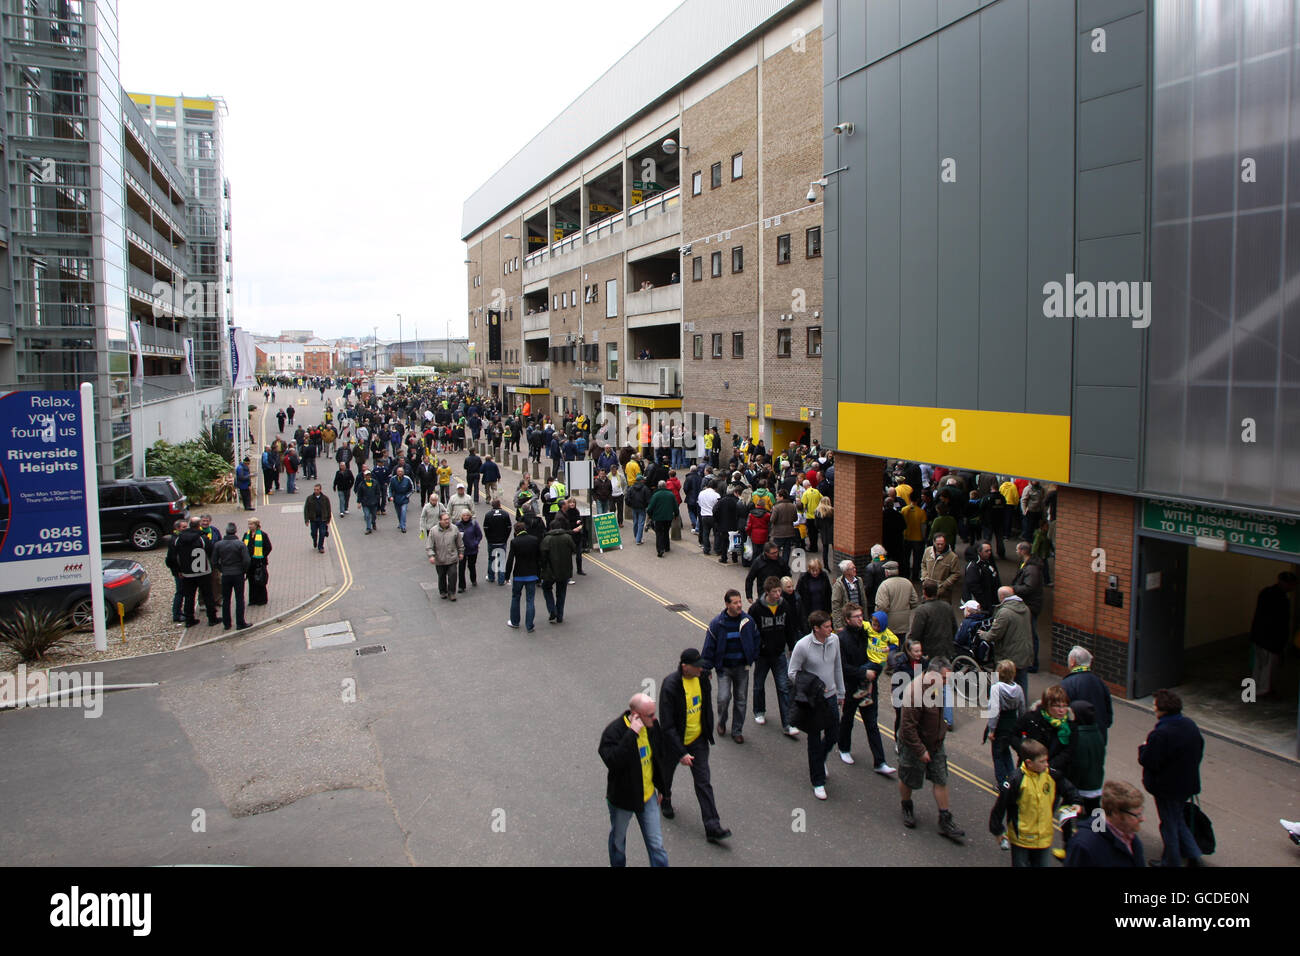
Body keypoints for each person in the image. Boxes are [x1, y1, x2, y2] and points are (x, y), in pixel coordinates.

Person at [657, 648, 732, 844]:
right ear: (684, 667)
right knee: (666, 775)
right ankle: (665, 797)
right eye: (696, 666)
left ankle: (712, 827)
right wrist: (680, 752)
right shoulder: (671, 685)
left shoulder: (701, 679)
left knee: (703, 782)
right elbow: (667, 724)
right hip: (675, 743)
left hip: (698, 740)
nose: (701, 669)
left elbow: (705, 707)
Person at [598, 693, 669, 867]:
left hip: (648, 797)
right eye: (650, 715)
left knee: (657, 846)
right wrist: (632, 734)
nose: (654, 718)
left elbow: (659, 757)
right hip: (624, 800)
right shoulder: (613, 733)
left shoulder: (652, 726)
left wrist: (663, 788)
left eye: (654, 713)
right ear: (635, 714)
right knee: (618, 843)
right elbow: (614, 762)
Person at [897, 658, 965, 841]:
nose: (946, 682)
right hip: (914, 744)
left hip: (935, 742)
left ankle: (945, 819)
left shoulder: (939, 687)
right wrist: (920, 751)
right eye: (944, 678)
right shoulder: (915, 692)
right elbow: (907, 728)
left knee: (941, 778)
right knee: (908, 778)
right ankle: (907, 806)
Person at [1138, 688, 1205, 867]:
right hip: (1186, 784)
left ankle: (1171, 862)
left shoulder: (1160, 734)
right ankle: (1194, 856)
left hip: (1166, 788)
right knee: (1178, 820)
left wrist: (1143, 748)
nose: (1153, 708)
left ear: (1163, 710)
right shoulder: (1190, 725)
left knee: (1169, 825)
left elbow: (1149, 761)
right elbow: (1198, 751)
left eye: (1155, 706)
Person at [988, 738, 1081, 867]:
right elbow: (1000, 806)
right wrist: (998, 831)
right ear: (1029, 763)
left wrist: (1076, 802)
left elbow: (1069, 789)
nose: (1046, 764)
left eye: (1046, 760)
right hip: (1022, 840)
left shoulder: (1052, 775)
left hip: (1044, 838)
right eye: (1042, 761)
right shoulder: (1016, 780)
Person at [788, 611, 844, 800]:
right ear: (816, 628)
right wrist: (809, 686)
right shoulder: (802, 646)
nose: (831, 629)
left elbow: (837, 666)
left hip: (830, 696)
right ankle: (818, 781)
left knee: (834, 733)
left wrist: (841, 692)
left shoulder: (834, 640)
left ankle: (821, 759)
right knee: (813, 741)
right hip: (813, 700)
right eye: (827, 626)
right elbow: (792, 672)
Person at [836, 604, 896, 775]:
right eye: (856, 616)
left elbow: (877, 655)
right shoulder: (842, 639)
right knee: (848, 718)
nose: (861, 619)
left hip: (868, 686)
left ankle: (880, 761)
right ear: (848, 619)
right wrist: (864, 672)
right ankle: (844, 747)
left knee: (871, 723)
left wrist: (873, 672)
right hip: (851, 686)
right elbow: (843, 667)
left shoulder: (866, 633)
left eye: (861, 615)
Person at [702, 589, 761, 744]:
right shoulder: (717, 624)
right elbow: (709, 647)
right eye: (735, 602)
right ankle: (721, 721)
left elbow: (756, 639)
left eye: (740, 601)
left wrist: (752, 657)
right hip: (725, 668)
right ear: (727, 604)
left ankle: (737, 730)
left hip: (742, 667)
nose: (739, 605)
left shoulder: (747, 621)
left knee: (741, 700)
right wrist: (706, 667)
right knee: (723, 698)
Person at [747, 578, 801, 737]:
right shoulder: (756, 609)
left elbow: (790, 628)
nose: (778, 594)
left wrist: (792, 647)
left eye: (779, 591)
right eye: (775, 592)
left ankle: (788, 723)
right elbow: (751, 631)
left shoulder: (784, 606)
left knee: (783, 687)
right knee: (759, 684)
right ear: (767, 593)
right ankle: (759, 710)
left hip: (779, 653)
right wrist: (755, 649)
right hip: (762, 655)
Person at [1064, 780, 1146, 867]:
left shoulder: (1129, 836)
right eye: (1137, 815)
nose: (1143, 819)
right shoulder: (1084, 845)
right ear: (1115, 813)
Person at [1250, 571, 1297, 698]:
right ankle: (1263, 691)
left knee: (1258, 665)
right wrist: (1280, 644)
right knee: (1268, 668)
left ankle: (1255, 689)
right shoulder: (1280, 599)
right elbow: (1279, 623)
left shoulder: (1266, 592)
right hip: (1270, 640)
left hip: (1259, 637)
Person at [985, 660, 1027, 792]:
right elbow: (1022, 709)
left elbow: (994, 711)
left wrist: (992, 730)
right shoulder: (1019, 689)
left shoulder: (996, 688)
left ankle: (1003, 783)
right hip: (1013, 723)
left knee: (998, 754)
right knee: (1006, 752)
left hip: (1001, 725)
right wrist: (1021, 727)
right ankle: (1013, 779)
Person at [1061, 646, 1114, 744]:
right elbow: (1108, 713)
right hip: (1099, 736)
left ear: (1072, 662)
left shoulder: (1067, 684)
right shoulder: (1100, 682)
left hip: (1078, 737)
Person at [986, 586, 1033, 697]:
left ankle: (1005, 704)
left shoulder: (1004, 612)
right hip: (1025, 651)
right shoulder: (1025, 608)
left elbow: (994, 634)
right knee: (1022, 679)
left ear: (1001, 597)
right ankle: (1022, 703)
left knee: (1004, 681)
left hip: (1009, 653)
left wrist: (983, 635)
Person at [175, 517, 218, 627]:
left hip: (187, 573)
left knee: (189, 597)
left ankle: (189, 620)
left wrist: (177, 570)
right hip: (203, 572)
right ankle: (212, 618)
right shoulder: (202, 538)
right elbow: (211, 552)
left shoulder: (179, 539)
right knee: (208, 595)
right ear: (198, 525)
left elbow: (173, 557)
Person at [1011, 540, 1045, 672]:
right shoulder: (1028, 565)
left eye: (1017, 549)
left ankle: (1032, 663)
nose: (1016, 552)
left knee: (1031, 635)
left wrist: (1014, 589)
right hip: (1030, 605)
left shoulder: (1031, 568)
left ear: (1023, 551)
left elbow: (1029, 587)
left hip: (1030, 606)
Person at [504, 520, 542, 632]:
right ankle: (529, 626)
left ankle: (515, 622)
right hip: (532, 574)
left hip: (519, 575)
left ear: (515, 532)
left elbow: (510, 560)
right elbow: (539, 558)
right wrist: (539, 574)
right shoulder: (534, 540)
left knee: (516, 598)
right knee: (530, 600)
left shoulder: (514, 542)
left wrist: (507, 576)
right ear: (525, 529)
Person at [213, 522, 251, 631]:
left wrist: (222, 569)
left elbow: (214, 561)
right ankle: (240, 623)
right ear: (235, 531)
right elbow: (247, 560)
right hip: (238, 574)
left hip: (226, 574)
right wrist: (243, 571)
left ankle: (227, 623)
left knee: (226, 600)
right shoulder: (240, 544)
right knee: (239, 599)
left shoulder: (219, 544)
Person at [540, 518, 576, 624]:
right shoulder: (567, 537)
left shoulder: (547, 539)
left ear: (551, 528)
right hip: (564, 570)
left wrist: (543, 568)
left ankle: (552, 610)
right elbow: (574, 549)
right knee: (561, 593)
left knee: (546, 588)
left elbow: (543, 556)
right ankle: (560, 615)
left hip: (550, 571)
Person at [425, 510, 464, 601]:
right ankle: (443, 591)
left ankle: (452, 593)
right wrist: (431, 556)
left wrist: (461, 552)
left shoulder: (454, 528)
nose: (447, 521)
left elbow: (459, 542)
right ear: (440, 521)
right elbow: (429, 545)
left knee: (453, 576)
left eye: (448, 519)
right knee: (441, 576)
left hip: (452, 558)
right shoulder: (433, 531)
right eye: (445, 519)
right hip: (440, 559)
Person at [874, 560, 918, 640]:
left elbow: (882, 606)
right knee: (901, 643)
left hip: (890, 623)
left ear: (886, 572)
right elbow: (914, 601)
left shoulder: (884, 585)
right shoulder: (907, 582)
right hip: (904, 622)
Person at [920, 533, 961, 608]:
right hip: (928, 591)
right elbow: (923, 564)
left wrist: (944, 585)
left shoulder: (952, 557)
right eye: (938, 544)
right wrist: (924, 577)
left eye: (942, 544)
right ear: (933, 542)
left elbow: (956, 574)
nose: (940, 546)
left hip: (943, 594)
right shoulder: (928, 551)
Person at [482, 498, 513, 586]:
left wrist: (489, 538)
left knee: (491, 559)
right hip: (502, 541)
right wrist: (505, 538)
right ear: (500, 505)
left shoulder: (488, 515)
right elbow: (509, 528)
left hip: (491, 541)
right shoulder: (505, 514)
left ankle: (491, 577)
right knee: (501, 560)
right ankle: (501, 579)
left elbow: (485, 528)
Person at [830, 559, 866, 630]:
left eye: (855, 568)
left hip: (859, 618)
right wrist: (839, 625)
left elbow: (863, 601)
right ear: (846, 571)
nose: (855, 570)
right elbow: (836, 606)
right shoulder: (838, 585)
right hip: (847, 621)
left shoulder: (859, 580)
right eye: (852, 568)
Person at [647, 479, 677, 557]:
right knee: (666, 531)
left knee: (659, 533)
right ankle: (667, 547)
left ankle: (660, 549)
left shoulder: (656, 495)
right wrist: (676, 514)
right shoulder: (671, 494)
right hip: (668, 517)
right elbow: (675, 506)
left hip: (658, 517)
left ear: (658, 486)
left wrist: (650, 515)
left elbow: (650, 507)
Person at [455, 509, 482, 593]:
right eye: (464, 515)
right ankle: (461, 586)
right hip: (462, 550)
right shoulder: (458, 525)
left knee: (471, 566)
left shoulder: (474, 524)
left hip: (472, 549)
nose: (466, 517)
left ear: (470, 516)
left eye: (467, 515)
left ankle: (473, 579)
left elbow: (479, 535)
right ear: (461, 516)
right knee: (461, 568)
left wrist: (475, 543)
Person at [303, 483, 332, 554]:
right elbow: (306, 509)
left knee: (322, 533)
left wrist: (328, 519)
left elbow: (328, 509)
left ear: (320, 490)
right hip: (313, 519)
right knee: (313, 533)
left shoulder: (325, 498)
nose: (316, 491)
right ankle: (314, 540)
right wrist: (306, 520)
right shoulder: (309, 498)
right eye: (315, 490)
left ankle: (320, 547)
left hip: (322, 519)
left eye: (317, 490)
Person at [388, 466, 415, 533]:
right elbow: (389, 489)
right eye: (398, 471)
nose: (400, 473)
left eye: (401, 471)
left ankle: (403, 526)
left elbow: (412, 489)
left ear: (403, 472)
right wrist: (390, 496)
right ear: (397, 472)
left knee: (403, 511)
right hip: (396, 498)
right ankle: (400, 522)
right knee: (399, 513)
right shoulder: (393, 479)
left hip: (404, 498)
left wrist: (407, 496)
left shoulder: (407, 479)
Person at [625, 475, 650, 545]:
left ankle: (636, 536)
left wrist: (630, 505)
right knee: (641, 523)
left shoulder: (631, 488)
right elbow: (648, 499)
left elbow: (627, 498)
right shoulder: (645, 488)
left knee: (635, 523)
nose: (644, 480)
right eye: (643, 479)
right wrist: (646, 506)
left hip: (634, 507)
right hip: (642, 508)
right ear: (641, 480)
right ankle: (638, 539)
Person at [355, 468, 381, 534]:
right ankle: (368, 528)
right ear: (364, 476)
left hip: (374, 503)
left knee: (374, 515)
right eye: (366, 475)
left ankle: (373, 522)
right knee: (367, 515)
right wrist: (359, 502)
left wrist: (377, 499)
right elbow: (359, 494)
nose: (368, 476)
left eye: (369, 475)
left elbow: (378, 492)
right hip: (365, 503)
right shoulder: (361, 484)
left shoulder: (375, 482)